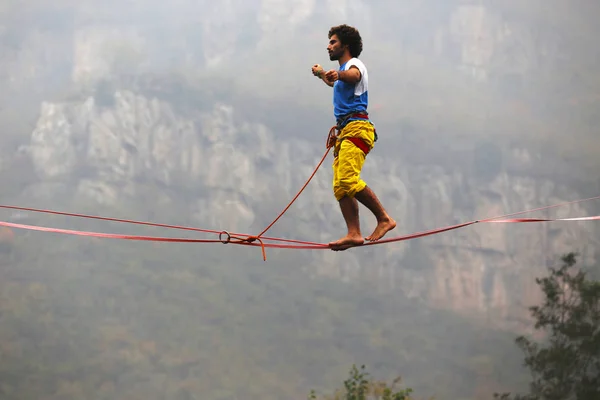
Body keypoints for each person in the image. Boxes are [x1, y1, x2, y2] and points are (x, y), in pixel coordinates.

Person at [311, 24, 396, 251]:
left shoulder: (354, 65)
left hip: (357, 128)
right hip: (345, 131)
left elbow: (352, 76)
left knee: (348, 179)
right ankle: (354, 233)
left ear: (345, 46)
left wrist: (338, 73)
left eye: (333, 42)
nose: (329, 46)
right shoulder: (341, 73)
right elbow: (336, 81)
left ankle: (384, 218)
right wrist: (323, 75)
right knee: (340, 185)